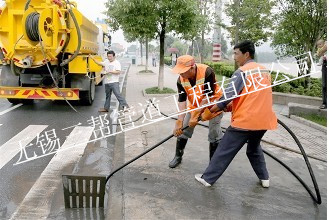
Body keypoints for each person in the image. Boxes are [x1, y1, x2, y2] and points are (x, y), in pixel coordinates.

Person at [194, 40, 277, 188]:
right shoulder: (264, 71)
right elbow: (252, 97)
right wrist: (231, 107)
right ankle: (265, 178)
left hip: (246, 121)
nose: (234, 57)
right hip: (264, 120)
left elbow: (226, 97)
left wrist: (208, 112)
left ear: (246, 54)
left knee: (224, 150)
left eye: (236, 53)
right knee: (253, 149)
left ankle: (207, 178)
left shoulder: (242, 72)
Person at [169, 55, 224, 168]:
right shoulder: (181, 80)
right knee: (183, 128)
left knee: (214, 133)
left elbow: (207, 96)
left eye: (183, 71)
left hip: (213, 104)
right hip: (195, 105)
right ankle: (178, 156)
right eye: (180, 71)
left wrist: (196, 116)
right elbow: (182, 101)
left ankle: (213, 165)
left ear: (192, 68)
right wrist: (179, 121)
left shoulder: (207, 72)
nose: (181, 74)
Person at [317, 39, 327, 109]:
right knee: (324, 85)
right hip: (325, 65)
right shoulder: (325, 43)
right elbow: (319, 54)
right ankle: (324, 103)